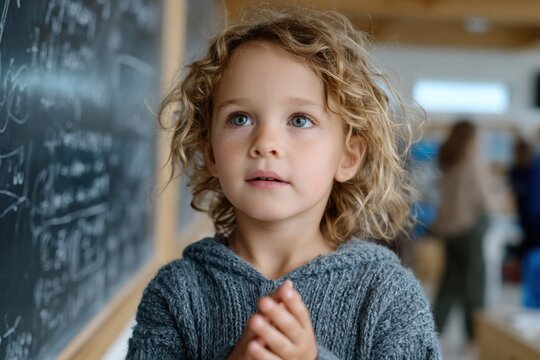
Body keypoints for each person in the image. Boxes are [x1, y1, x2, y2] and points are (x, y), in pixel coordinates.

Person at [127, 6, 441, 359]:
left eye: (300, 120)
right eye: (240, 118)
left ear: (348, 157)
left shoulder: (387, 295)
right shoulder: (175, 293)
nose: (265, 142)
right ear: (211, 153)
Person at [431, 121, 491, 346]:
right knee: (474, 286)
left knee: (450, 283)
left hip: (449, 231)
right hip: (469, 231)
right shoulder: (471, 163)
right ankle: (474, 339)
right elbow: (483, 199)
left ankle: (436, 333)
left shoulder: (448, 161)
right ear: (470, 138)